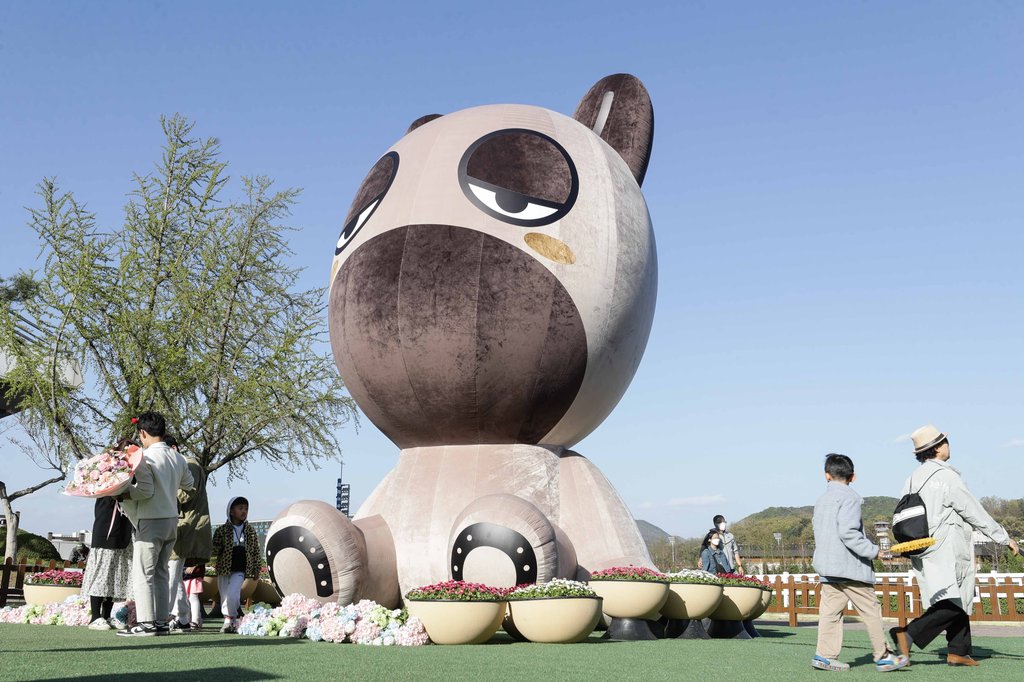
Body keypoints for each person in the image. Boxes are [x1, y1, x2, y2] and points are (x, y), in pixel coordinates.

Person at [889, 425, 1020, 667]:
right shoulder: (947, 477)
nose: (949, 445)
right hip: (947, 546)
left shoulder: (911, 479)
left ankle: (959, 650)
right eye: (946, 441)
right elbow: (973, 511)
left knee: (953, 597)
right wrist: (1003, 537)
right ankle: (907, 634)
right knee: (953, 599)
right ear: (937, 448)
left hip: (921, 547)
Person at [810, 454, 909, 672]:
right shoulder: (850, 497)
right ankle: (883, 655)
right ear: (853, 477)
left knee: (830, 614)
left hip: (827, 567)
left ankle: (825, 656)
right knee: (870, 610)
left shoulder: (821, 500)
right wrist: (875, 552)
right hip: (849, 568)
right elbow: (849, 533)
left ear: (826, 475)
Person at [117, 411, 194, 637]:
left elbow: (145, 491)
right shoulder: (177, 457)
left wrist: (122, 493)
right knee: (161, 572)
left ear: (142, 433)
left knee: (144, 574)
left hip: (151, 520)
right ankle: (161, 621)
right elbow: (188, 484)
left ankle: (147, 623)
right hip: (171, 520)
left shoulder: (144, 457)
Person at [164, 434, 212, 633]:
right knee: (174, 575)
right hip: (183, 525)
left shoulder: (189, 464)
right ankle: (182, 617)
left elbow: (185, 494)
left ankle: (164, 616)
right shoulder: (184, 464)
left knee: (172, 574)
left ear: (173, 448)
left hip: (187, 526)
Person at [81, 489, 134, 630]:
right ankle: (95, 617)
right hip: (106, 531)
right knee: (102, 573)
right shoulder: (105, 483)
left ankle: (106, 615)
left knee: (115, 575)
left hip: (124, 528)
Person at [211, 496, 261, 634]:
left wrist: (257, 569)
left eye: (246, 509)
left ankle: (229, 620)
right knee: (225, 596)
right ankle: (232, 621)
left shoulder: (250, 531)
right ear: (231, 511)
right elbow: (214, 549)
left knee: (233, 594)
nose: (244, 511)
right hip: (224, 568)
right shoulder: (221, 530)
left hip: (240, 567)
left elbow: (256, 551)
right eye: (240, 508)